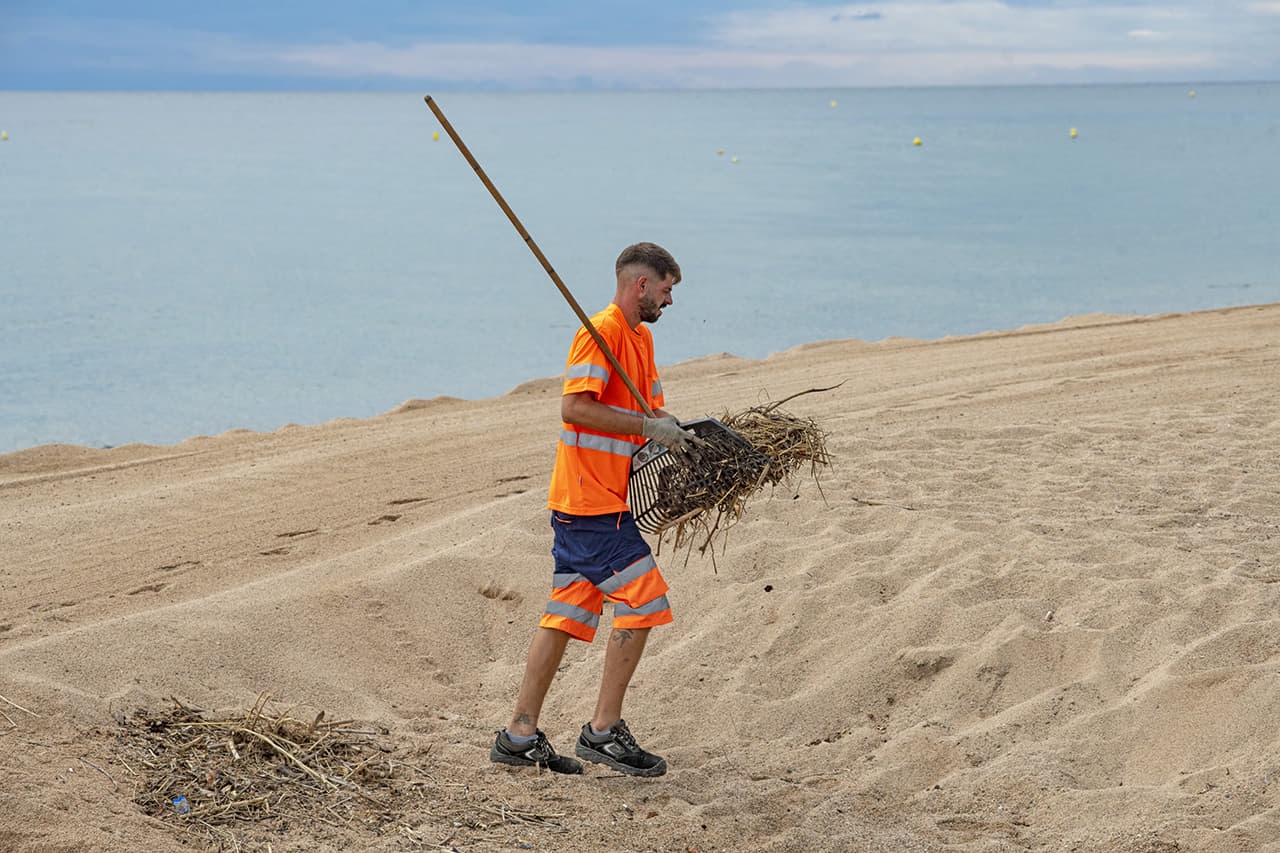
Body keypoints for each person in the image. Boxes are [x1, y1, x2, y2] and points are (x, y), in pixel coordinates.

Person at [490, 242, 702, 777]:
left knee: (567, 613)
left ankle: (519, 736)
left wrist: (667, 428)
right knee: (645, 597)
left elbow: (645, 409)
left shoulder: (641, 338)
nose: (670, 300)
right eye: (667, 289)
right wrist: (645, 426)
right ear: (641, 285)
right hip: (588, 505)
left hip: (603, 500)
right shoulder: (600, 330)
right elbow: (574, 407)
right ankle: (604, 732)